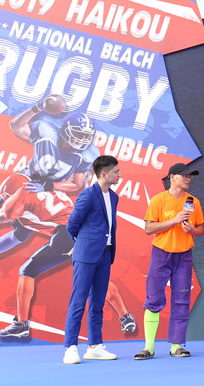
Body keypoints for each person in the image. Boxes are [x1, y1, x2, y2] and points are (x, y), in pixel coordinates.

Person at [0, 174, 136, 339]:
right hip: (88, 232)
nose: (4, 202)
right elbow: (15, 232)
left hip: (67, 234)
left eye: (7, 198)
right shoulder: (40, 197)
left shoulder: (22, 202)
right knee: (94, 276)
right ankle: (125, 316)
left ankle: (21, 324)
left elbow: (7, 215)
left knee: (27, 271)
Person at [134, 163, 204, 360]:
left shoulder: (193, 202)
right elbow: (149, 228)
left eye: (190, 176)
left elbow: (200, 229)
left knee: (181, 299)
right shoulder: (159, 200)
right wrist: (174, 220)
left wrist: (192, 230)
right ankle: (148, 347)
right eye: (185, 175)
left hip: (184, 255)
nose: (189, 178)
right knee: (154, 298)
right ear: (172, 177)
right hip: (161, 254)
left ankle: (176, 346)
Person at [62, 155, 120, 364]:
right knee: (78, 301)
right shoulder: (87, 195)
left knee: (97, 303)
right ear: (103, 174)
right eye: (116, 172)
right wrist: (81, 244)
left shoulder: (114, 197)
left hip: (105, 255)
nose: (119, 175)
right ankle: (70, 348)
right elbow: (72, 225)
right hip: (86, 256)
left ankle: (95, 346)